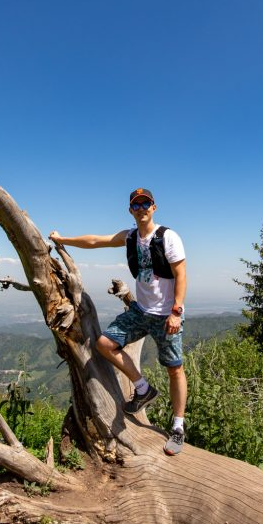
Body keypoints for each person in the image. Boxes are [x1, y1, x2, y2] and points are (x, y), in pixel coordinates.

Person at [49, 188, 188, 455]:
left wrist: (176, 312)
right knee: (105, 343)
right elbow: (95, 241)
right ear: (130, 211)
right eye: (136, 205)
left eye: (145, 203)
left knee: (175, 369)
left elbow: (181, 274)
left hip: (166, 315)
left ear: (154, 207)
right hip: (141, 311)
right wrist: (62, 239)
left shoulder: (168, 237)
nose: (141, 208)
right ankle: (143, 388)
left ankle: (178, 427)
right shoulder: (131, 237)